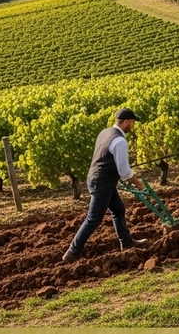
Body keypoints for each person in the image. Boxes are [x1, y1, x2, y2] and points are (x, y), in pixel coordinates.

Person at [63, 108, 149, 262]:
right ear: (126, 122)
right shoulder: (120, 141)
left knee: (118, 209)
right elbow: (124, 172)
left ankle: (127, 242)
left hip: (98, 180)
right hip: (102, 183)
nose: (133, 126)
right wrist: (139, 183)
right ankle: (72, 252)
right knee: (93, 219)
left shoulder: (105, 132)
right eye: (133, 122)